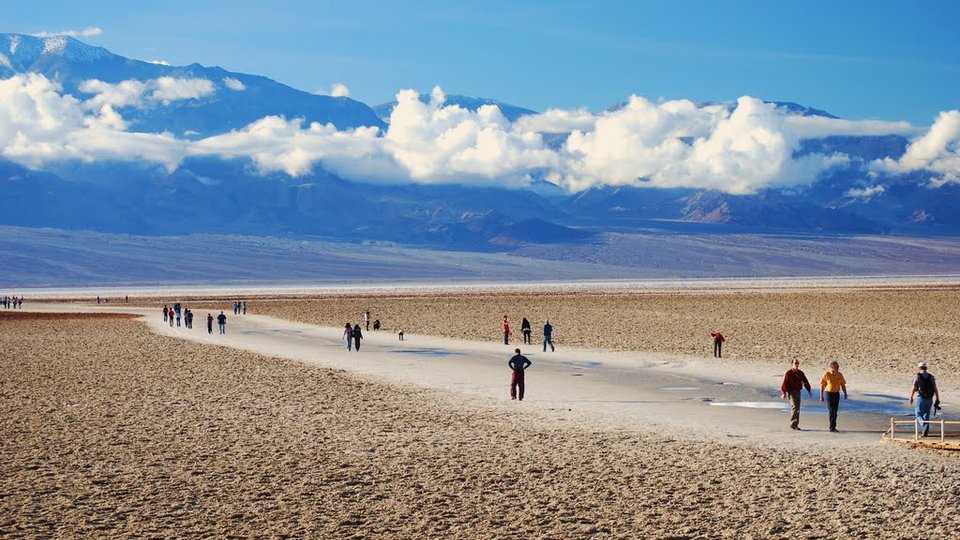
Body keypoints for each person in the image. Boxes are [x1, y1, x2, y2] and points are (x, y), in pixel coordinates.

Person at [909, 362, 941, 437]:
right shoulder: (931, 376)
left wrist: (911, 397)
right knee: (926, 415)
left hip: (920, 397)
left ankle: (924, 425)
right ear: (926, 368)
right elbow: (935, 388)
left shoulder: (917, 376)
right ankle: (925, 431)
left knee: (918, 414)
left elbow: (914, 387)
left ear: (919, 368)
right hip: (930, 398)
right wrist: (937, 398)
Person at [780, 359, 812, 430]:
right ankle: (792, 423)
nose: (797, 364)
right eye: (795, 363)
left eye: (798, 363)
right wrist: (783, 393)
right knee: (795, 407)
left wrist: (809, 389)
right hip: (791, 392)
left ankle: (796, 424)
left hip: (798, 391)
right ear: (792, 364)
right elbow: (784, 383)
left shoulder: (800, 373)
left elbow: (805, 381)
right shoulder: (788, 373)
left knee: (798, 408)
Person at [819, 361, 848, 432]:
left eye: (838, 367)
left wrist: (845, 393)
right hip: (829, 394)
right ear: (832, 368)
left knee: (835, 411)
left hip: (836, 393)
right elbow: (822, 385)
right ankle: (832, 427)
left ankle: (833, 427)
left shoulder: (840, 375)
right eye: (836, 367)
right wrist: (821, 396)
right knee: (831, 410)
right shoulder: (827, 374)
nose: (838, 368)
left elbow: (843, 385)